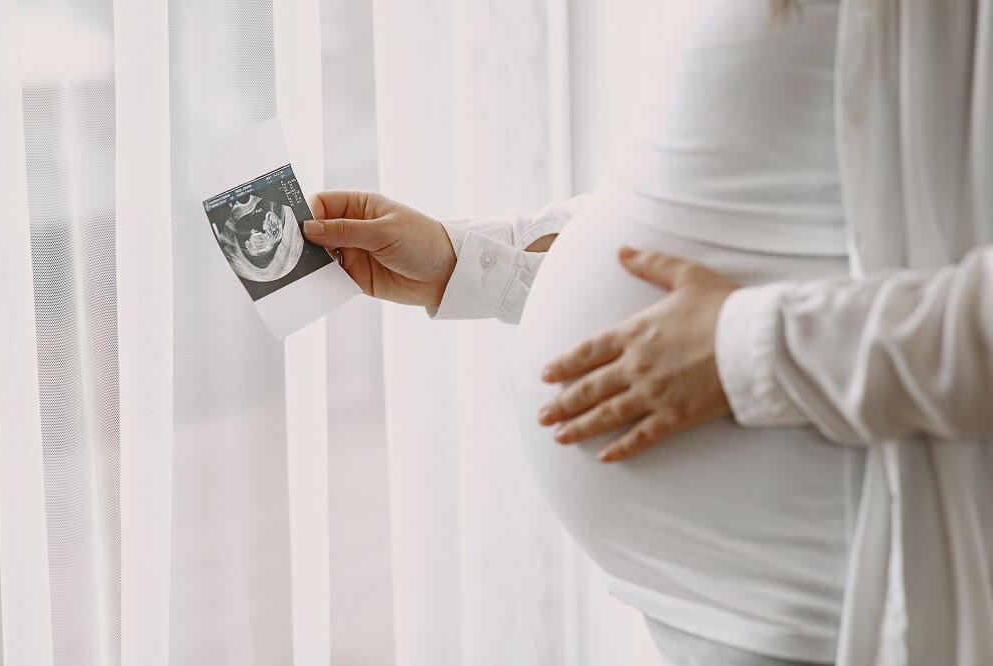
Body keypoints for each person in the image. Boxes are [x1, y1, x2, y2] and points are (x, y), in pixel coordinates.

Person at [302, 2, 993, 664]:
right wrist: (471, 263)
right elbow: (749, 211)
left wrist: (748, 348)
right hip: (722, 610)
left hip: (813, 604)